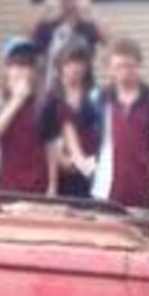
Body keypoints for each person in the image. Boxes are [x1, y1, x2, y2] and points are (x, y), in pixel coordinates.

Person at [88, 37, 149, 209]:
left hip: (141, 189)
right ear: (109, 69)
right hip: (105, 191)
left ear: (138, 65)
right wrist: (83, 161)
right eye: (118, 67)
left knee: (139, 235)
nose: (124, 72)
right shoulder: (100, 98)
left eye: (129, 66)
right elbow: (78, 129)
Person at [0, 37, 61, 196]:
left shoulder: (45, 103)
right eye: (17, 65)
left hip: (38, 189)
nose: (24, 71)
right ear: (6, 69)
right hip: (2, 188)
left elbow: (50, 146)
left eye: (29, 65)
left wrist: (53, 185)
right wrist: (16, 101)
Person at [32, 0, 110, 93]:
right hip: (52, 92)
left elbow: (110, 42)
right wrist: (46, 6)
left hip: (84, 91)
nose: (69, 2)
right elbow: (27, 37)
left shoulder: (88, 27)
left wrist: (90, 8)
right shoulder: (48, 27)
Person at [48, 42, 99, 199]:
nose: (75, 67)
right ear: (60, 65)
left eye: (80, 62)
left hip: (90, 173)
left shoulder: (95, 96)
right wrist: (61, 160)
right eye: (70, 62)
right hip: (59, 175)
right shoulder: (51, 98)